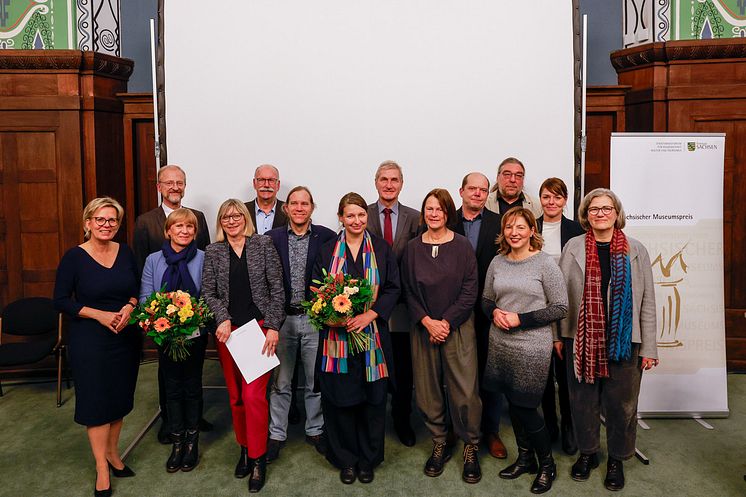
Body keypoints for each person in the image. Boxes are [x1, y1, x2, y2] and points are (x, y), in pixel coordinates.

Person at [558, 188, 658, 491]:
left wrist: (649, 347)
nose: (600, 213)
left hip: (625, 341)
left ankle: (616, 458)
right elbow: (560, 297)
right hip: (581, 338)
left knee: (622, 405)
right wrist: (557, 337)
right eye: (594, 209)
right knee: (582, 401)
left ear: (617, 213)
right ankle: (588, 453)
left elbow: (648, 302)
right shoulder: (573, 247)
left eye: (606, 208)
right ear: (586, 215)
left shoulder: (636, 249)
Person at [53, 197, 141, 497]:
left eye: (112, 220)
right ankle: (101, 468)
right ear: (88, 223)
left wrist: (129, 308)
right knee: (96, 404)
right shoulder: (74, 257)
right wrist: (100, 315)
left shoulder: (125, 252)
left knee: (119, 399)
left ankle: (113, 454)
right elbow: (61, 300)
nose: (107, 225)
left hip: (124, 337)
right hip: (89, 339)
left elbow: (135, 291)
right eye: (100, 220)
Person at [312, 192, 400, 485]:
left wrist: (370, 315)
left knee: (373, 401)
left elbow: (392, 289)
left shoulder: (383, 249)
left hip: (372, 337)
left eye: (361, 215)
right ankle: (346, 459)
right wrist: (333, 317)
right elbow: (316, 293)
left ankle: (368, 459)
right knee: (340, 401)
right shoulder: (326, 251)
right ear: (340, 217)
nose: (357, 220)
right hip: (336, 341)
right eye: (350, 215)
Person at [481, 206, 568, 494]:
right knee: (512, 403)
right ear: (503, 231)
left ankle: (547, 465)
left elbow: (560, 308)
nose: (514, 233)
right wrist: (493, 312)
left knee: (525, 406)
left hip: (532, 345)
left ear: (532, 230)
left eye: (521, 227)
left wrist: (522, 319)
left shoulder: (544, 263)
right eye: (509, 227)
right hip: (500, 342)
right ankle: (525, 458)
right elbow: (485, 300)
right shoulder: (498, 261)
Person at [201, 199, 285, 493]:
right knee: (236, 397)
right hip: (229, 334)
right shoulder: (214, 251)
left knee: (253, 397)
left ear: (245, 218)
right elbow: (208, 293)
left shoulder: (262, 245)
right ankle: (244, 448)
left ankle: (258, 459)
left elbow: (277, 289)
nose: (232, 220)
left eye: (237, 215)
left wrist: (273, 326)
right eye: (226, 216)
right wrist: (221, 318)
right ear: (220, 222)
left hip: (259, 331)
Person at [401, 189, 482, 484]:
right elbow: (407, 290)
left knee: (465, 391)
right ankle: (439, 441)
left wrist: (445, 322)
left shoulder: (462, 247)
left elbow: (470, 289)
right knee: (427, 389)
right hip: (423, 329)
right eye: (429, 209)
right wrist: (427, 321)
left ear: (448, 212)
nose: (434, 214)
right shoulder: (412, 248)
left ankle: (470, 446)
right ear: (424, 213)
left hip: (457, 328)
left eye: (440, 209)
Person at [132, 164, 211, 443]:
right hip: (163, 322)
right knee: (169, 379)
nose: (175, 187)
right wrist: (154, 315)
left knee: (192, 378)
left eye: (180, 182)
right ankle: (171, 423)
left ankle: (193, 422)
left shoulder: (197, 218)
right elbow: (142, 266)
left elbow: (206, 271)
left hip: (195, 324)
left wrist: (197, 317)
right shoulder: (145, 222)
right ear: (159, 186)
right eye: (169, 182)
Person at [266, 187, 336, 461]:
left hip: (314, 319)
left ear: (312, 208)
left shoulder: (327, 237)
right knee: (281, 382)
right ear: (286, 208)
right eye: (293, 203)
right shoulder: (271, 239)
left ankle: (315, 429)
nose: (298, 208)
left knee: (313, 380)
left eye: (304, 203)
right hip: (281, 320)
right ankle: (276, 434)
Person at [139, 208, 207, 473]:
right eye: (178, 226)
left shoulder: (204, 257)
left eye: (189, 227)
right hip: (165, 334)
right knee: (172, 387)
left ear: (195, 231)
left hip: (195, 334)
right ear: (168, 231)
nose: (184, 231)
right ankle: (177, 442)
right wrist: (162, 321)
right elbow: (146, 296)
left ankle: (192, 442)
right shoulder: (153, 260)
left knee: (192, 385)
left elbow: (208, 295)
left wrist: (191, 320)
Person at [366, 160, 421, 447]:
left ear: (401, 184)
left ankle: (402, 419)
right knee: (372, 367)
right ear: (376, 182)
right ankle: (371, 421)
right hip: (369, 308)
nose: (389, 185)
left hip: (403, 308)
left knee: (402, 367)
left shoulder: (416, 217)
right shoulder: (362, 215)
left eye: (394, 180)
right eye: (384, 179)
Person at [453, 172, 506, 459]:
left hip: (489, 309)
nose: (477, 193)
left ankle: (491, 430)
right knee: (456, 372)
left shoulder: (499, 224)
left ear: (488, 194)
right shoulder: (446, 221)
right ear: (460, 190)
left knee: (489, 371)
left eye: (483, 190)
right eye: (471, 188)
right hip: (453, 309)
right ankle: (456, 427)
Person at [536, 177, 585, 455]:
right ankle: (550, 426)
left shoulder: (576, 230)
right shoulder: (530, 227)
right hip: (537, 308)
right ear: (540, 199)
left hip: (567, 309)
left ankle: (569, 427)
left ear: (565, 200)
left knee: (566, 375)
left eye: (557, 197)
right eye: (546, 197)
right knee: (542, 375)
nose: (551, 202)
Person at [245, 164, 288, 234]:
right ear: (254, 183)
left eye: (271, 180)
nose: (266, 185)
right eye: (261, 180)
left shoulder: (289, 211)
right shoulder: (242, 210)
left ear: (278, 185)